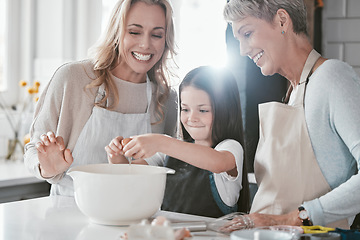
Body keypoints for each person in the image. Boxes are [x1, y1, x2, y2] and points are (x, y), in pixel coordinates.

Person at [223, 0, 360, 229]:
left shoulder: (331, 77)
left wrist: (292, 219)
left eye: (247, 34)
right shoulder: (292, 93)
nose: (243, 50)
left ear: (282, 21)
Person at [23, 0, 178, 196]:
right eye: (134, 32)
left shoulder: (166, 99)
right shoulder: (73, 78)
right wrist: (48, 168)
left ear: (166, 40)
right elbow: (32, 149)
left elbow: (162, 166)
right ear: (116, 31)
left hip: (135, 215)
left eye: (156, 34)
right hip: (68, 212)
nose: (146, 44)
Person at [105, 66, 250, 218]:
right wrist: (116, 156)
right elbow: (129, 174)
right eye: (185, 109)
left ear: (225, 110)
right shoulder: (167, 153)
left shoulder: (230, 148)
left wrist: (160, 142)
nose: (191, 118)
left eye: (203, 110)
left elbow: (218, 162)